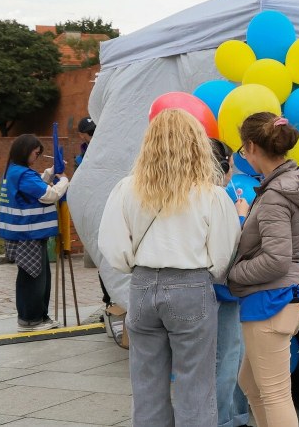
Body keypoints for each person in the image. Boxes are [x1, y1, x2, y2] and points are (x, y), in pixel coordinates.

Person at [98, 109, 241, 426]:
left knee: (146, 386)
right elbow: (222, 255)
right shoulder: (211, 195)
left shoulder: (126, 189)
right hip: (191, 285)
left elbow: (112, 247)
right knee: (196, 385)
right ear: (196, 144)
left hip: (143, 284)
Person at [228, 112, 299, 427]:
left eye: (243, 150)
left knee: (274, 394)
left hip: (270, 300)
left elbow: (275, 260)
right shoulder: (297, 182)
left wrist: (231, 276)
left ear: (252, 146)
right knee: (253, 385)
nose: (244, 156)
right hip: (287, 296)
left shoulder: (274, 195)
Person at [0, 134, 70, 332]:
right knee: (34, 277)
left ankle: (36, 318)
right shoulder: (22, 174)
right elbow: (49, 194)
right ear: (25, 151)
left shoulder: (15, 171)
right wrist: (63, 180)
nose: (37, 157)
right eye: (36, 153)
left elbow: (37, 183)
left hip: (25, 233)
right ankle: (31, 320)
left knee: (35, 277)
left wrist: (52, 171)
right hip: (29, 233)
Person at [210, 138, 251, 427]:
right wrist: (241, 217)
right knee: (229, 356)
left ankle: (233, 414)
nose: (233, 171)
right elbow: (227, 247)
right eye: (231, 166)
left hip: (200, 287)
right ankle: (227, 418)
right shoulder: (219, 197)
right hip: (223, 288)